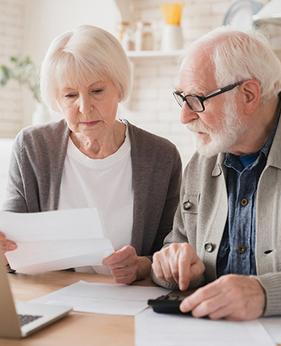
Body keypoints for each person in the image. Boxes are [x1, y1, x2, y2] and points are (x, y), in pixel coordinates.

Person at [152, 26, 281, 320]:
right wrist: (172, 263)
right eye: (182, 98)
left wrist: (265, 293)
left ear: (249, 94)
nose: (184, 116)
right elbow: (177, 244)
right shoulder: (201, 161)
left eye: (197, 99)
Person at [0, 25, 181, 284]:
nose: (85, 107)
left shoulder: (161, 157)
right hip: (51, 297)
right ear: (56, 99)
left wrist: (141, 266)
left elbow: (172, 248)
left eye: (97, 91)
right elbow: (12, 244)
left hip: (129, 300)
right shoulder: (32, 148)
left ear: (119, 87)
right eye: (70, 95)